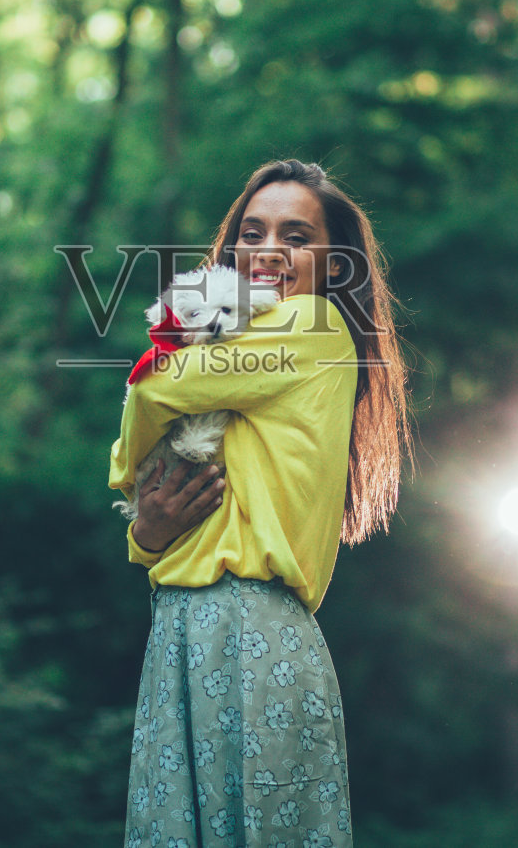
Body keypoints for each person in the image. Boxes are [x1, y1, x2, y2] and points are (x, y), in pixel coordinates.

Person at [108, 159, 412, 848]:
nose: (269, 249)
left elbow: (151, 398)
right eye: (252, 232)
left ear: (333, 264)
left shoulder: (313, 323)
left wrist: (159, 400)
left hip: (256, 633)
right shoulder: (228, 336)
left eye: (296, 236)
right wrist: (147, 535)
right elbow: (139, 478)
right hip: (178, 630)